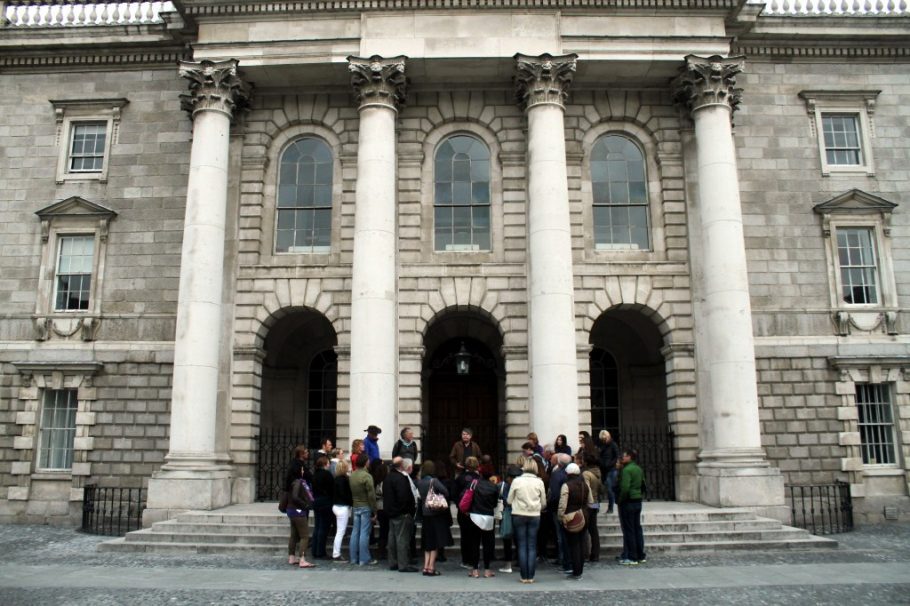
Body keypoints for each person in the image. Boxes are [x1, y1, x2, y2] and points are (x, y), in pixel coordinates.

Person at [507, 457, 546, 584]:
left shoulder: (517, 481)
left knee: (522, 545)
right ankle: (531, 576)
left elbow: (509, 500)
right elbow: (544, 502)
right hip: (534, 514)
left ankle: (524, 576)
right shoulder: (539, 482)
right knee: (532, 545)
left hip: (519, 514)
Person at [384, 457, 420, 572]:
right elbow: (404, 497)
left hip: (391, 512)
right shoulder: (401, 478)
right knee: (402, 539)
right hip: (401, 513)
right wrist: (407, 510)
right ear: (401, 466)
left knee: (392, 538)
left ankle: (393, 562)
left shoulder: (388, 477)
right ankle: (403, 564)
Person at [416, 460, 451, 576]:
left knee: (427, 543)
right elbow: (446, 492)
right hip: (435, 514)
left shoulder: (419, 482)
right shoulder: (434, 481)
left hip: (425, 514)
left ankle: (425, 567)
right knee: (434, 543)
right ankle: (431, 567)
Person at [558, 462, 592, 580]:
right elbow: (590, 501)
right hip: (584, 515)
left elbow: (563, 504)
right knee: (582, 543)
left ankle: (576, 571)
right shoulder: (585, 484)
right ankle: (580, 570)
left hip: (571, 517)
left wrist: (560, 517)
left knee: (574, 545)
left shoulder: (566, 485)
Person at [465, 463, 499, 578]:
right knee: (487, 544)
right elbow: (495, 503)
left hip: (474, 516)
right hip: (488, 517)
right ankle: (487, 570)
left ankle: (475, 570)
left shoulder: (474, 484)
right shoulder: (494, 486)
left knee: (474, 544)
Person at [618, 448, 646, 566]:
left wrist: (620, 500)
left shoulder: (626, 470)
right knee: (637, 528)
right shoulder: (638, 469)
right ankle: (640, 555)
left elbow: (625, 488)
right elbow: (643, 484)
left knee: (629, 530)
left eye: (624, 456)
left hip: (628, 502)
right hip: (637, 500)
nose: (622, 458)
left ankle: (632, 556)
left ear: (629, 457)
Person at [349, 453, 377, 566]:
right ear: (366, 462)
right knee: (364, 534)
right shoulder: (367, 476)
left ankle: (353, 558)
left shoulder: (352, 475)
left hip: (355, 506)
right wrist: (374, 510)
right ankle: (364, 558)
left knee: (355, 532)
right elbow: (371, 495)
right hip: (365, 506)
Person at [286, 462, 316, 569]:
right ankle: (302, 559)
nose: (304, 471)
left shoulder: (290, 482)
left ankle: (291, 557)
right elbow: (295, 497)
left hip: (291, 510)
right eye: (302, 470)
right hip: (298, 511)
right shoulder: (298, 482)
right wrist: (305, 504)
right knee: (304, 536)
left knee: (294, 535)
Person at [455, 455, 481, 569]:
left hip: (463, 511)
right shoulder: (479, 478)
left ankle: (465, 560)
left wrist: (461, 507)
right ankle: (474, 560)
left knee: (464, 536)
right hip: (475, 511)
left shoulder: (460, 478)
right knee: (475, 537)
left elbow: (454, 495)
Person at [547, 452, 571, 572]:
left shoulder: (557, 474)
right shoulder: (573, 474)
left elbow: (554, 494)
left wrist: (549, 504)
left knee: (561, 535)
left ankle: (563, 559)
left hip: (559, 508)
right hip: (571, 509)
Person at [498, 465, 521, 574]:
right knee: (519, 540)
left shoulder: (502, 486)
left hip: (506, 514)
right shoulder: (522, 486)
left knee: (507, 540)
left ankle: (508, 564)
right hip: (520, 513)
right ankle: (521, 562)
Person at [310, 455, 334, 559]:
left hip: (316, 501)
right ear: (325, 464)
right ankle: (320, 552)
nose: (329, 465)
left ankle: (315, 550)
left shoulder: (315, 475)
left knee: (317, 527)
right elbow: (331, 489)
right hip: (325, 502)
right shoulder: (327, 474)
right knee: (323, 528)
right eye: (328, 463)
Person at [581, 453, 603, 561]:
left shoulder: (586, 474)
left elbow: (586, 489)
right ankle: (595, 553)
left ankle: (586, 553)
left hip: (589, 503)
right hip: (596, 502)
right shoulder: (598, 472)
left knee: (585, 529)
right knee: (594, 529)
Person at [331, 459, 352, 562]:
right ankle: (336, 553)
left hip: (336, 505)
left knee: (339, 531)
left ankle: (336, 552)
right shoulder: (344, 480)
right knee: (340, 532)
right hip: (342, 506)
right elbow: (345, 495)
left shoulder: (336, 479)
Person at [369, 458, 389, 557]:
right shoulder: (384, 482)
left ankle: (382, 549)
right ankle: (382, 550)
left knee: (383, 529)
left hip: (379, 508)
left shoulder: (375, 480)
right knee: (385, 530)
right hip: (384, 507)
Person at [597, 430, 620, 514]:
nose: (604, 440)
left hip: (611, 469)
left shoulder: (613, 445)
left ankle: (610, 507)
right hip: (603, 469)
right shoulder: (601, 446)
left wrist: (611, 464)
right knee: (598, 489)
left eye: (605, 438)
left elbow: (617, 456)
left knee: (610, 489)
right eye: (602, 439)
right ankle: (597, 507)